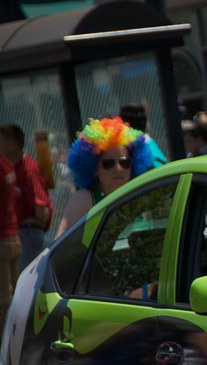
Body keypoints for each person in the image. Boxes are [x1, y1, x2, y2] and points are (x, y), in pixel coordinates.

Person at [54, 117, 156, 238]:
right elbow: (61, 248)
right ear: (94, 168)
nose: (118, 169)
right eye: (108, 163)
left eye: (124, 162)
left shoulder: (138, 196)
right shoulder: (85, 199)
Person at [0, 124, 52, 272]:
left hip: (27, 235)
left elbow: (43, 211)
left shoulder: (28, 170)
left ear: (11, 144)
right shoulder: (10, 168)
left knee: (24, 286)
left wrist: (31, 228)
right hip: (18, 235)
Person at [0, 151, 19, 326]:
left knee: (3, 299)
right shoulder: (7, 164)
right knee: (15, 292)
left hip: (2, 240)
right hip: (12, 236)